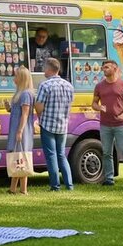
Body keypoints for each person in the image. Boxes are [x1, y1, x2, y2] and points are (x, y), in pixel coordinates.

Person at [92, 60, 123, 187]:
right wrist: (99, 108)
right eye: (103, 67)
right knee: (106, 152)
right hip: (105, 124)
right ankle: (109, 179)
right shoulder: (99, 86)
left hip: (120, 124)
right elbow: (94, 103)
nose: (104, 69)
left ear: (115, 69)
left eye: (107, 67)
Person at [35, 58, 74, 191]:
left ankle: (55, 185)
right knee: (61, 154)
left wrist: (40, 116)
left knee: (51, 155)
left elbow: (39, 106)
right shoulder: (69, 85)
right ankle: (69, 184)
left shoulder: (45, 85)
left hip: (47, 124)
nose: (43, 70)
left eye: (44, 68)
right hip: (62, 125)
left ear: (49, 69)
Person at [4, 66, 35, 195]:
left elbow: (25, 114)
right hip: (16, 128)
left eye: (16, 76)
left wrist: (20, 131)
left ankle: (23, 189)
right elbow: (17, 111)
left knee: (22, 156)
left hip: (22, 129)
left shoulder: (26, 94)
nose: (14, 78)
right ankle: (13, 188)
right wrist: (8, 108)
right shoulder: (19, 93)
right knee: (17, 156)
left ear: (21, 78)